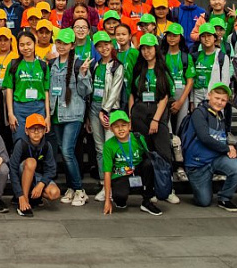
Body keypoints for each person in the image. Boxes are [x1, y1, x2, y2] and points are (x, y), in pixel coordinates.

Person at [127, 33, 177, 204]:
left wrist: (156, 119)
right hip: (140, 113)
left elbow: (165, 97)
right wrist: (131, 116)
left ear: (156, 49)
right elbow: (132, 95)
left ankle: (168, 188)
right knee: (145, 155)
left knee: (163, 152)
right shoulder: (138, 69)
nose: (146, 52)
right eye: (143, 49)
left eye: (149, 48)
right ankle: (149, 191)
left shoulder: (162, 69)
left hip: (157, 113)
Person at [180, 82, 237, 211]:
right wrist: (227, 148)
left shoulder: (220, 115)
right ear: (209, 95)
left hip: (215, 159)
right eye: (217, 98)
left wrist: (229, 147)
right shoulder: (199, 113)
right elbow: (204, 137)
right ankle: (202, 185)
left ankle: (224, 198)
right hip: (198, 165)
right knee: (204, 202)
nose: (219, 102)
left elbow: (220, 137)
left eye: (223, 100)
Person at [48, 27, 92, 206]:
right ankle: (72, 188)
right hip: (57, 114)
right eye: (59, 42)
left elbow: (85, 92)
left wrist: (82, 74)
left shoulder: (78, 64)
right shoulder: (52, 64)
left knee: (67, 151)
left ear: (72, 45)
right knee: (65, 151)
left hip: (73, 114)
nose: (61, 46)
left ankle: (80, 189)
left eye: (65, 43)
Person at [101, 110, 164, 216]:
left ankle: (146, 201)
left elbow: (148, 157)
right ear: (111, 129)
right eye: (116, 126)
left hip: (137, 171)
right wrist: (107, 200)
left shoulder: (138, 138)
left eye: (124, 125)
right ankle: (119, 199)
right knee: (120, 197)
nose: (121, 129)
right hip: (121, 173)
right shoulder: (108, 145)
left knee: (149, 163)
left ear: (129, 125)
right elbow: (107, 172)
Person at [88, 31, 124, 202]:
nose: (104, 48)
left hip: (110, 111)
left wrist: (105, 111)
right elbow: (91, 90)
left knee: (110, 148)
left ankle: (113, 186)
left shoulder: (117, 66)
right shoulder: (94, 65)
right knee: (99, 148)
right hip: (94, 109)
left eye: (106, 44)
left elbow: (115, 91)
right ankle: (104, 184)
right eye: (100, 45)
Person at [3, 30, 51, 143]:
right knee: (20, 142)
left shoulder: (43, 65)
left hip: (38, 108)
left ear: (34, 44)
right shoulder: (13, 64)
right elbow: (9, 90)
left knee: (38, 143)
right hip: (19, 109)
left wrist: (47, 115)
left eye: (29, 44)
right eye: (22, 45)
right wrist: (10, 113)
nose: (26, 48)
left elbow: (46, 91)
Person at [8, 113, 60, 217]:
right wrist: (20, 194)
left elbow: (52, 169)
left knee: (55, 193)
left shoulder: (46, 145)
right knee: (31, 162)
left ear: (45, 130)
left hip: (37, 178)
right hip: (22, 175)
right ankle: (24, 201)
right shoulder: (21, 144)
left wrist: (41, 184)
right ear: (26, 131)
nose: (36, 132)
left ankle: (34, 197)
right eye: (32, 129)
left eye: (40, 129)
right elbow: (12, 169)